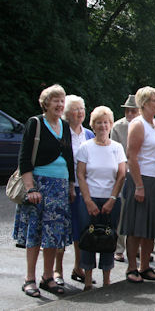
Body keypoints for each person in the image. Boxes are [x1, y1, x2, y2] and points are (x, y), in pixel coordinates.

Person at [14, 84, 75, 297]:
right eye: (56, 100)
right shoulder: (35, 123)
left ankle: (47, 277)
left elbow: (69, 158)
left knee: (54, 235)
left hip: (60, 188)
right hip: (39, 187)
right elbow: (24, 158)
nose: (60, 104)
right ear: (46, 103)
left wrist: (70, 186)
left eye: (62, 100)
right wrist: (30, 189)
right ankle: (29, 278)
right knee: (36, 234)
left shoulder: (65, 126)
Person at [120, 86, 155, 283]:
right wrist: (139, 186)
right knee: (137, 226)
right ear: (144, 103)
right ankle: (132, 268)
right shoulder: (138, 124)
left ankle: (145, 266)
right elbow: (132, 157)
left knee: (151, 227)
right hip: (142, 180)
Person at [76, 106, 127, 290]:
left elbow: (121, 174)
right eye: (99, 122)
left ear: (111, 125)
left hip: (112, 200)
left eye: (106, 122)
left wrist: (113, 198)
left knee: (109, 237)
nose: (103, 126)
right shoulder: (85, 147)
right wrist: (88, 201)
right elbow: (80, 175)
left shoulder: (117, 147)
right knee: (88, 238)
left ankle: (107, 279)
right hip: (89, 199)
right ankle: (88, 279)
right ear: (93, 125)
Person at [55, 95, 95, 286]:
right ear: (66, 114)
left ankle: (78, 267)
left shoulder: (88, 134)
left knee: (81, 230)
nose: (79, 113)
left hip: (84, 189)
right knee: (62, 230)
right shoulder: (61, 133)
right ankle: (57, 270)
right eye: (75, 109)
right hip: (64, 187)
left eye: (81, 109)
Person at [110, 94, 139, 263]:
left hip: (141, 173)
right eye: (128, 111)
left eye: (133, 111)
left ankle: (137, 249)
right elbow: (114, 151)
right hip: (123, 172)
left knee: (138, 213)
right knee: (121, 212)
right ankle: (119, 249)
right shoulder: (118, 127)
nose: (130, 114)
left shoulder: (146, 125)